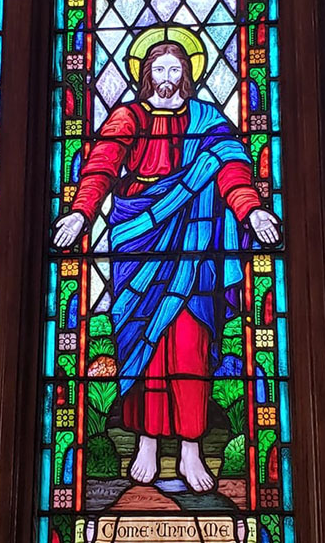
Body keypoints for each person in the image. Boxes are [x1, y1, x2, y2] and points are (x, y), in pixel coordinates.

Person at [52, 33, 281, 493]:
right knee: (143, 343)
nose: (167, 78)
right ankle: (147, 442)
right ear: (145, 74)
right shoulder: (129, 117)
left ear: (188, 74)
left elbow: (232, 170)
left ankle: (191, 447)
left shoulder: (207, 120)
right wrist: (81, 212)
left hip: (195, 243)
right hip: (140, 239)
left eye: (175, 69)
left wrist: (251, 210)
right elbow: (101, 166)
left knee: (190, 343)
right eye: (159, 69)